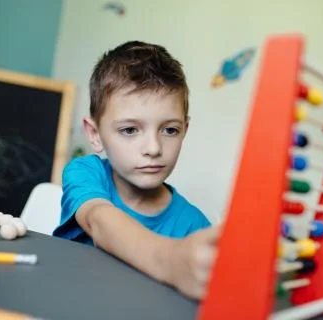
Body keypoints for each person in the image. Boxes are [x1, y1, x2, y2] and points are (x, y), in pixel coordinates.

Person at [53, 41, 221, 300]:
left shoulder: (195, 227)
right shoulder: (85, 172)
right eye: (130, 130)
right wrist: (171, 261)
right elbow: (99, 221)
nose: (153, 148)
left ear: (185, 130)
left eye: (169, 130)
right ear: (95, 135)